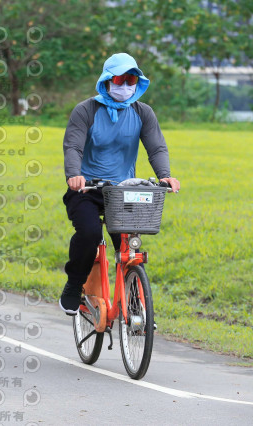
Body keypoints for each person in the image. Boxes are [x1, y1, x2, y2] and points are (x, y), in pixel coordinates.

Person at [60, 52, 180, 315]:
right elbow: (73, 146)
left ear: (138, 83)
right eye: (119, 79)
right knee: (90, 234)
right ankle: (74, 284)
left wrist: (165, 175)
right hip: (87, 189)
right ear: (106, 81)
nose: (125, 86)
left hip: (123, 192)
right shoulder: (86, 110)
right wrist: (74, 174)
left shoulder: (142, 112)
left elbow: (156, 148)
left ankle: (137, 308)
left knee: (129, 248)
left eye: (131, 80)